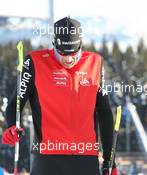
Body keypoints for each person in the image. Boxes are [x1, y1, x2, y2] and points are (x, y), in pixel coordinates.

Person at [1, 16, 117, 175]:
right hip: (47, 160)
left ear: (81, 45)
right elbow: (16, 103)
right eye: (63, 53)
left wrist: (110, 162)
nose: (69, 59)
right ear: (54, 44)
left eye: (74, 53)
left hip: (85, 159)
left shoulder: (95, 63)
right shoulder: (34, 62)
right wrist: (12, 126)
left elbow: (104, 113)